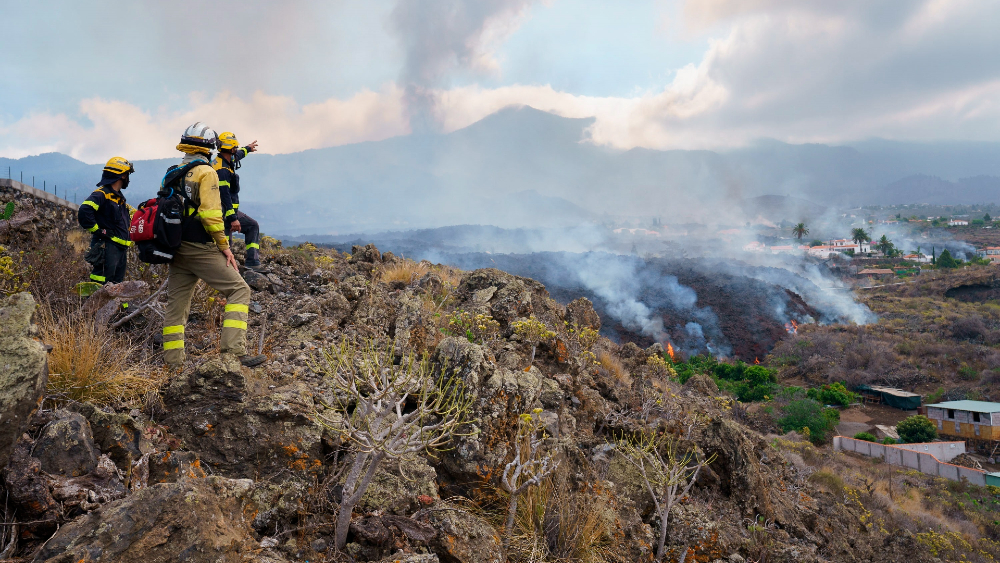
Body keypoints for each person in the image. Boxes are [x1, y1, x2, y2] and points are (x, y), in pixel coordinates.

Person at [161, 122, 265, 368]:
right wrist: (225, 247)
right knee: (240, 290)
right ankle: (233, 353)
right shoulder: (206, 173)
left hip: (176, 248)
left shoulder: (174, 171)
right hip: (200, 247)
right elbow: (210, 215)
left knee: (176, 308)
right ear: (209, 147)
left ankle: (173, 364)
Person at [78, 156, 134, 284]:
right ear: (123, 176)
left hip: (120, 248)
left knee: (117, 283)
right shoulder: (102, 194)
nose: (128, 179)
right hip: (107, 246)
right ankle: (94, 304)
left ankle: (119, 305)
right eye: (127, 174)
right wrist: (100, 231)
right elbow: (84, 211)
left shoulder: (118, 198)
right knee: (101, 281)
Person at [212, 132, 262, 269]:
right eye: (235, 147)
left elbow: (239, 154)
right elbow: (224, 196)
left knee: (253, 226)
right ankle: (225, 272)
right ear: (230, 149)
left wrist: (248, 148)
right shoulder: (222, 169)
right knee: (225, 246)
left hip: (230, 211)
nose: (236, 150)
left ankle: (253, 263)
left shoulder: (226, 160)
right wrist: (233, 218)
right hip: (223, 213)